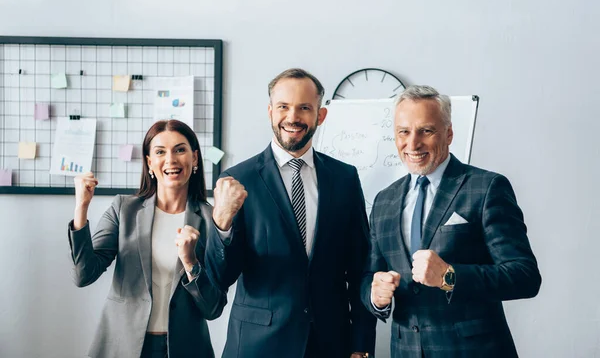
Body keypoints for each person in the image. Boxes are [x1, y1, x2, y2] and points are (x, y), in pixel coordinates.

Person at [205, 68, 377, 358]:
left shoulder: (344, 178)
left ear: (320, 116)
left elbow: (361, 268)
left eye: (304, 108)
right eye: (283, 107)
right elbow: (219, 279)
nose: (293, 117)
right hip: (257, 345)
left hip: (330, 343)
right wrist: (221, 223)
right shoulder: (237, 179)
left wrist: (361, 345)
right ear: (271, 112)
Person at [362, 85, 542, 358]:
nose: (413, 144)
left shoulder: (486, 187)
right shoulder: (384, 201)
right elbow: (369, 276)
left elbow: (525, 276)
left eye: (426, 130)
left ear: (448, 133)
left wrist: (449, 277)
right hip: (405, 351)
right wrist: (375, 295)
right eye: (404, 132)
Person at [68, 119, 226, 358]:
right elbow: (83, 274)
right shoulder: (124, 209)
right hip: (123, 346)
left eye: (180, 149)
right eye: (160, 152)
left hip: (186, 348)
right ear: (150, 163)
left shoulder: (210, 219)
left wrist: (190, 261)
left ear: (194, 158)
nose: (171, 159)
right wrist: (81, 208)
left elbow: (213, 308)